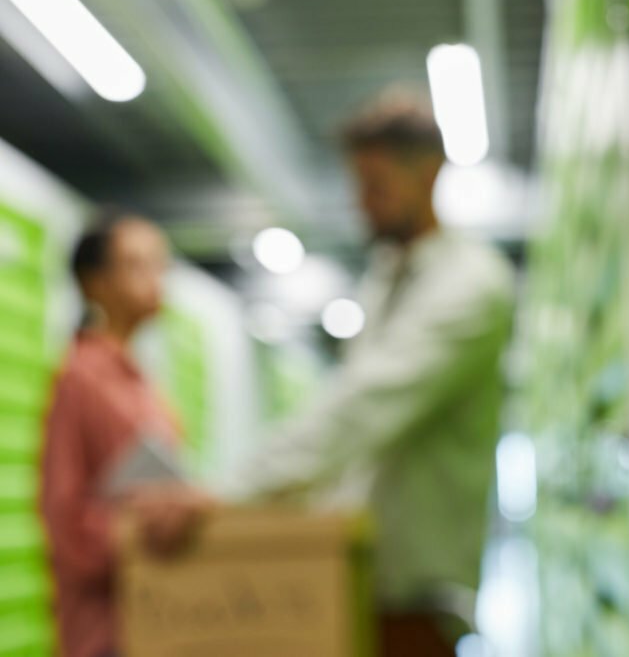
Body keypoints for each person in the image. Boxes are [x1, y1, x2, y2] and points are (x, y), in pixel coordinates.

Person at [225, 90, 515, 655]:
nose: (362, 204)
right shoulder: (385, 279)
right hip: (361, 582)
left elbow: (363, 409)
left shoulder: (471, 284)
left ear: (429, 173)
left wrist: (228, 495)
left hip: (417, 602)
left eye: (376, 185)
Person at [39, 212, 204, 657]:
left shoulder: (143, 382)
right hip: (104, 631)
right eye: (137, 265)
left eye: (160, 265)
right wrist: (143, 529)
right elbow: (64, 516)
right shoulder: (79, 378)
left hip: (155, 616)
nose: (155, 280)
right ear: (94, 283)